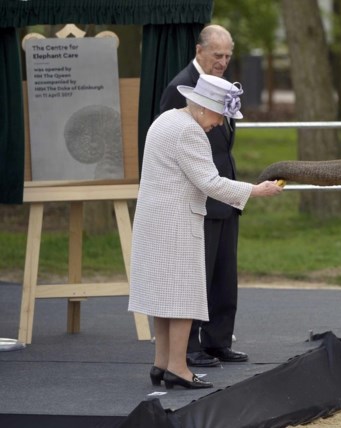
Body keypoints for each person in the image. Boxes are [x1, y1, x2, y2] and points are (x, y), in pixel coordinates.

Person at [129, 74, 283, 389]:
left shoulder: (166, 120)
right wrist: (257, 190)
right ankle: (178, 368)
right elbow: (210, 182)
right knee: (184, 296)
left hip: (153, 220)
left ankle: (161, 364)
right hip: (176, 222)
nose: (219, 123)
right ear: (202, 107)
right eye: (219, 115)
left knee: (163, 295)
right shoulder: (190, 132)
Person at [159, 25, 247, 367]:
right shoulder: (178, 88)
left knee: (224, 273)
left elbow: (222, 143)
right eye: (217, 56)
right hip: (197, 196)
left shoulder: (220, 85)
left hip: (224, 193)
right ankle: (190, 347)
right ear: (199, 51)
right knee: (197, 274)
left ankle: (218, 340)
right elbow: (170, 141)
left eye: (228, 56)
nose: (223, 62)